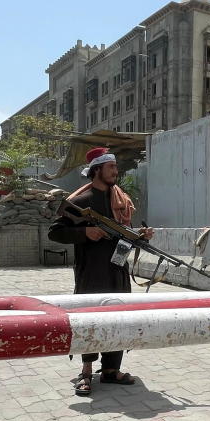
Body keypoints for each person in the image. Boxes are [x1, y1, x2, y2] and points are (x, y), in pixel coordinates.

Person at [48, 147, 153, 397]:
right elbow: (55, 232)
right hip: (92, 272)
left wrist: (140, 235)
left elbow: (124, 232)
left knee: (118, 317)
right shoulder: (80, 201)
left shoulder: (120, 200)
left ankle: (110, 370)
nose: (116, 172)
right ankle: (86, 371)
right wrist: (85, 232)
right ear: (97, 170)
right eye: (111, 168)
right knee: (91, 318)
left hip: (118, 270)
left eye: (116, 167)